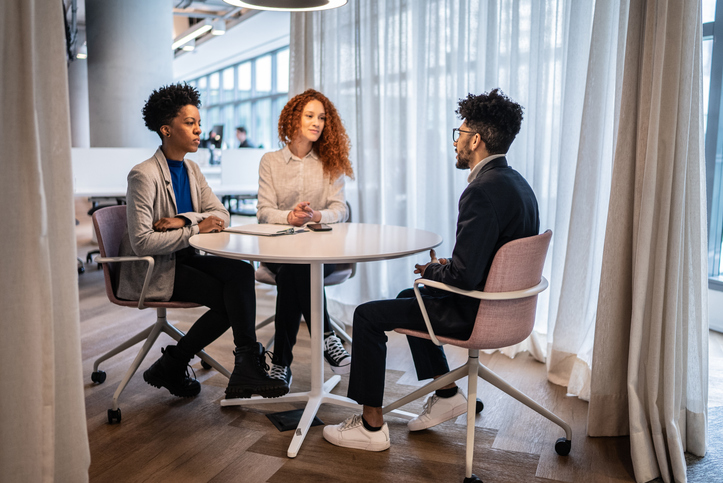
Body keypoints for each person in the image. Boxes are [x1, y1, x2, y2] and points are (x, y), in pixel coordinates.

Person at [322, 89, 539, 451]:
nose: (456, 143)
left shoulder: (481, 191)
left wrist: (435, 272)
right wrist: (445, 268)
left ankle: (371, 427)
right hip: (507, 308)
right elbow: (489, 261)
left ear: (476, 140)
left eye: (460, 134)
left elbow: (466, 278)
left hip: (477, 313)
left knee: (367, 316)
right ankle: (447, 391)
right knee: (413, 296)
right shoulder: (517, 184)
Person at [117, 83, 288, 401]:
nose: (199, 130)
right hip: (156, 268)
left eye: (198, 123)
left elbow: (220, 215)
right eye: (189, 123)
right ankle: (227, 365)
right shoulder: (143, 175)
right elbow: (142, 242)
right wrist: (198, 227)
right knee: (230, 301)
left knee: (240, 272)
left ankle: (235, 363)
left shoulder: (192, 169)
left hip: (184, 257)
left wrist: (184, 220)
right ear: (166, 130)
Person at [256, 89, 355, 386]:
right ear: (292, 120)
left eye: (322, 117)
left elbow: (340, 209)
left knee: (295, 271)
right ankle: (326, 337)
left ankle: (281, 363)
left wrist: (315, 216)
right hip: (278, 251)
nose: (317, 123)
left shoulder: (330, 161)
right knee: (295, 268)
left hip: (322, 253)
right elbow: (263, 211)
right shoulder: (270, 161)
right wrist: (289, 217)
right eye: (309, 116)